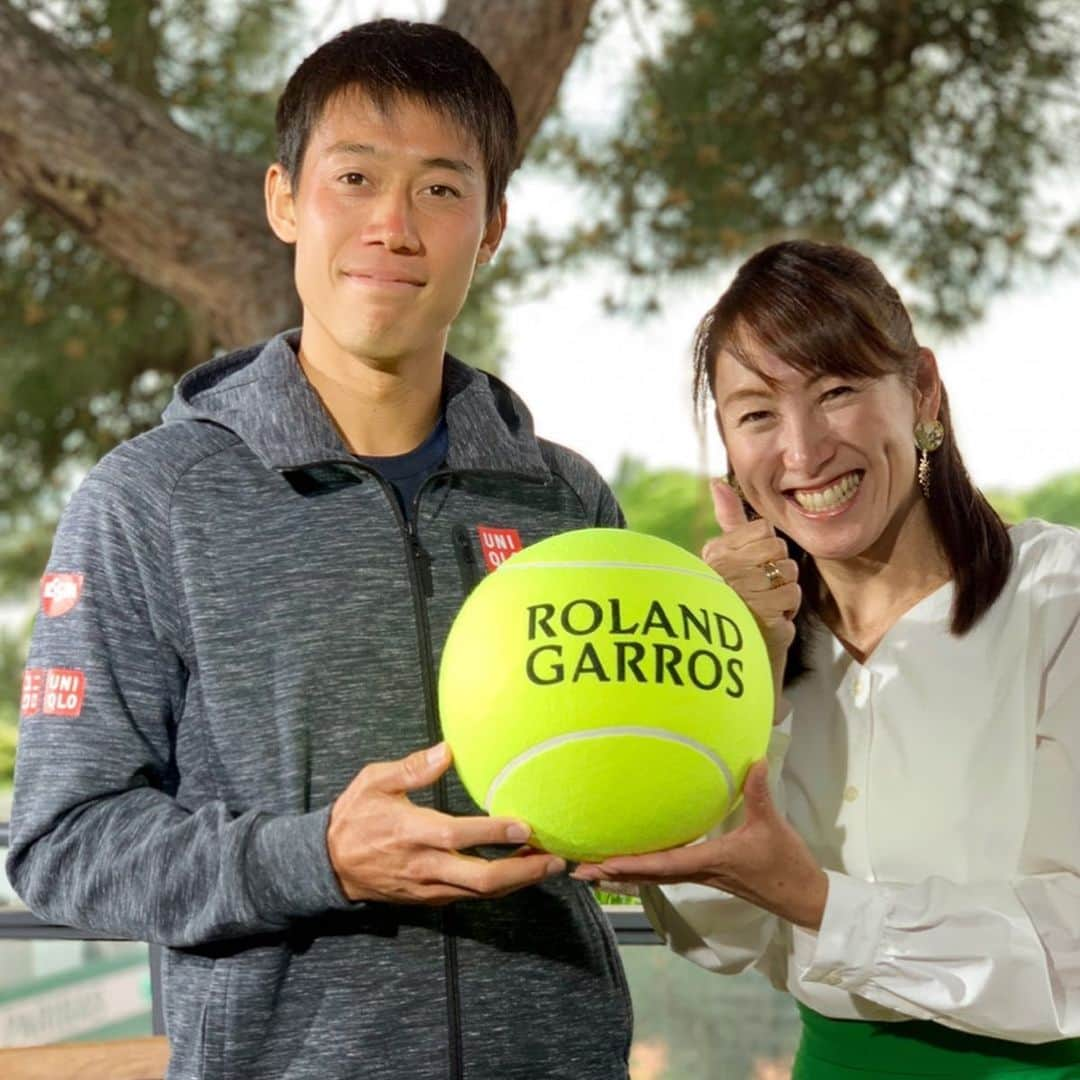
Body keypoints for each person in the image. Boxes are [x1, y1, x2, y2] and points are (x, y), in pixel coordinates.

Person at [7, 20, 632, 1080]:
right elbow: (61, 842)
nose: (393, 224)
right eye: (355, 177)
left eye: (441, 189)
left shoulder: (565, 501)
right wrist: (320, 859)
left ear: (491, 229)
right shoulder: (148, 500)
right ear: (284, 200)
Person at [572, 240, 1080, 1077]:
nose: (803, 452)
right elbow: (715, 942)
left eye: (837, 392)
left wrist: (823, 904)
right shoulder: (746, 648)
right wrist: (744, 679)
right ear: (729, 450)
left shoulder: (1055, 598)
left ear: (922, 392)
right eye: (757, 414)